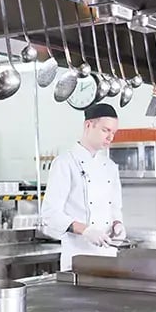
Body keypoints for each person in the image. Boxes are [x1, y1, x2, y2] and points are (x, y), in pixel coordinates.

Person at [40, 102, 125, 271]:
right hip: (78, 258)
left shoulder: (110, 166)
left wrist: (118, 224)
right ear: (88, 125)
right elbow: (50, 214)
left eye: (113, 132)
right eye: (105, 130)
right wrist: (86, 231)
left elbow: (115, 207)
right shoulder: (65, 163)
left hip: (108, 256)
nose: (110, 137)